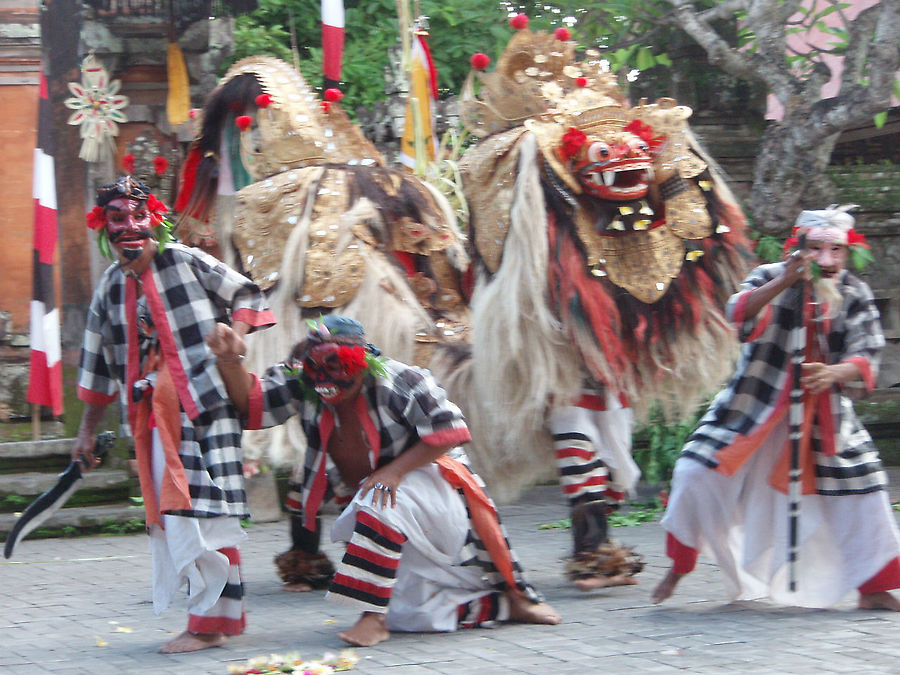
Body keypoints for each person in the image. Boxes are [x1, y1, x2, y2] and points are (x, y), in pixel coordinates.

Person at [206, 314, 562, 647]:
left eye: (338, 366)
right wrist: (229, 360)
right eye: (317, 369)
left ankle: (372, 618)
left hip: (436, 494)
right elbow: (252, 406)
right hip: (379, 507)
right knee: (411, 613)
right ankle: (503, 606)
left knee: (379, 497)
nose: (327, 380)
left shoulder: (402, 379)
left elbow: (451, 431)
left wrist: (393, 471)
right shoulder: (306, 380)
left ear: (362, 361)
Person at [652, 206, 900, 611]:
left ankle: (873, 588)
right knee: (694, 473)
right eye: (817, 249)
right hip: (751, 407)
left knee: (866, 488)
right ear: (797, 249)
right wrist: (786, 281)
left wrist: (833, 373)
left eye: (836, 250)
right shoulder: (771, 276)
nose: (827, 260)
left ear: (846, 252)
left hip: (825, 417)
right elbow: (736, 312)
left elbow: (867, 354)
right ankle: (680, 566)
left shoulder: (855, 292)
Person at [72, 176, 276, 653]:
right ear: (104, 227)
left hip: (204, 408)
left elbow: (246, 292)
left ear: (154, 219)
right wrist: (85, 433)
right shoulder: (107, 290)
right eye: (117, 219)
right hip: (152, 420)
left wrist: (237, 335)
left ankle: (208, 625)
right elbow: (97, 368)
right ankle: (217, 619)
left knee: (204, 514)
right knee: (182, 517)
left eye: (137, 216)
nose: (128, 228)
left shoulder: (185, 260)